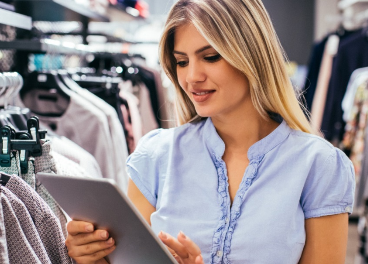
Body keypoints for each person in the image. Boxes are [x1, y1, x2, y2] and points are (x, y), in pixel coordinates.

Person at [65, 0, 355, 263]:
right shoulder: (155, 156)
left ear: (251, 54)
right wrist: (91, 256)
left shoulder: (319, 165)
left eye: (211, 57)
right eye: (182, 62)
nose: (192, 77)